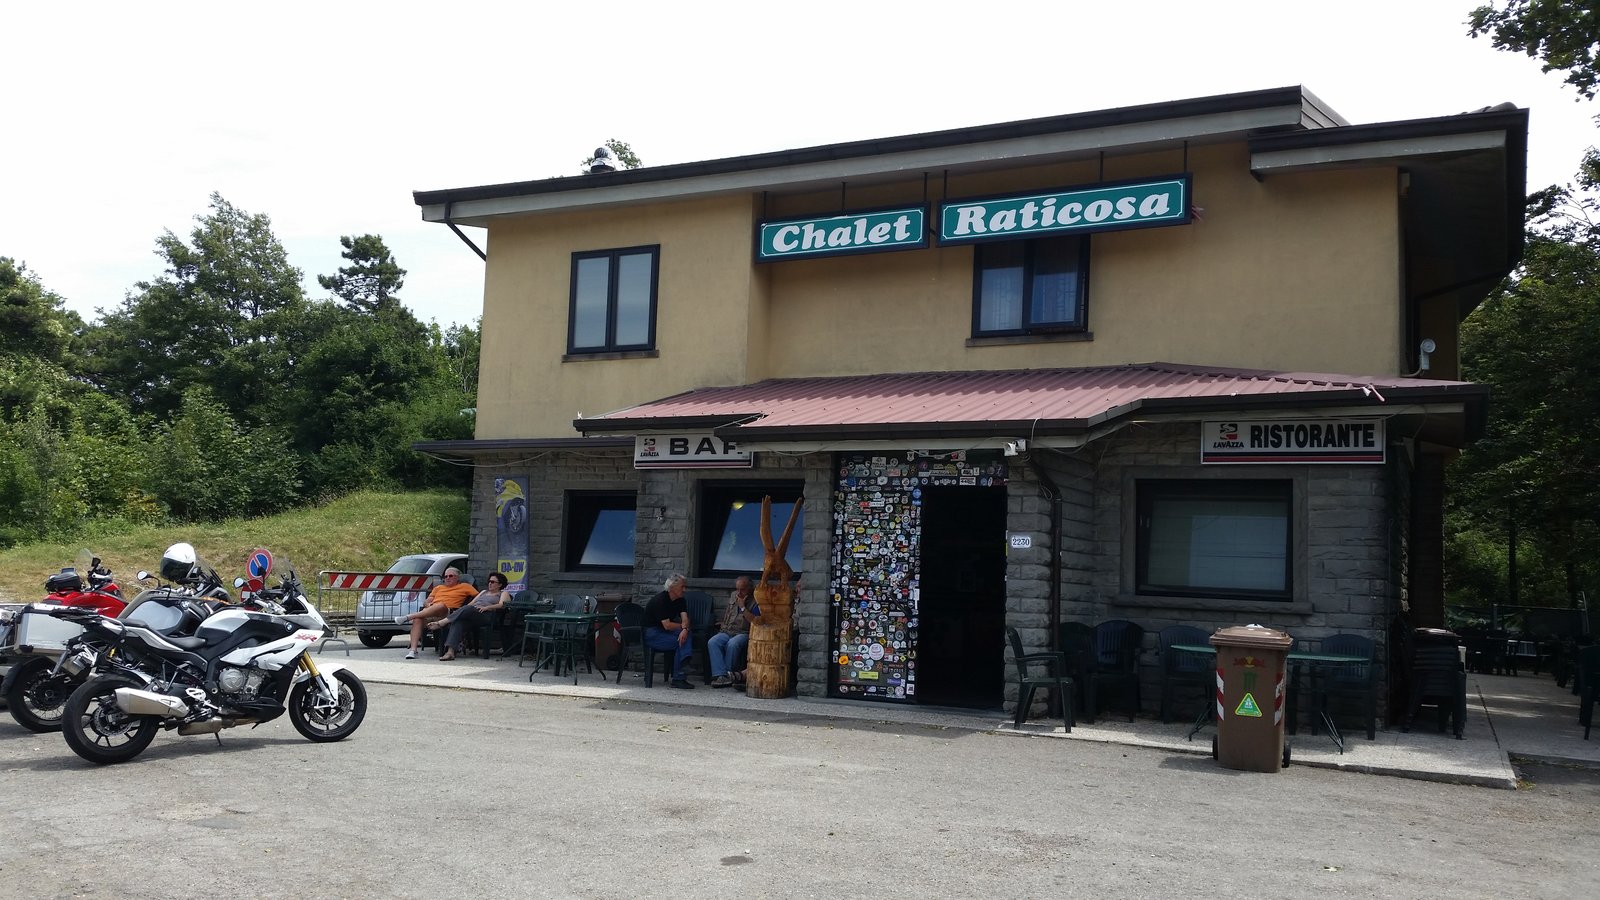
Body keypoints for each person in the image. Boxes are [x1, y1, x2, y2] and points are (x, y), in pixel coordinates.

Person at [394, 567, 477, 659]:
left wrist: (469, 606)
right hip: (432, 611)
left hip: (448, 613)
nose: (447, 578)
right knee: (418, 619)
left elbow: (479, 596)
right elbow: (426, 602)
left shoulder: (465, 586)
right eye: (445, 576)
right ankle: (413, 650)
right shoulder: (438, 588)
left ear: (457, 578)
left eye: (450, 576)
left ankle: (408, 617)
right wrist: (430, 606)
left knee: (440, 605)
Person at [430, 571, 510, 660]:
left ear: (500, 584)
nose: (490, 584)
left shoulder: (503, 593)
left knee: (468, 608)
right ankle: (450, 652)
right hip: (473, 614)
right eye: (489, 581)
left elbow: (502, 605)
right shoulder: (483, 592)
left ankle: (442, 622)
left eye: (493, 582)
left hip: (487, 615)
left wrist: (488, 607)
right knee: (458, 622)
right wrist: (462, 612)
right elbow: (471, 603)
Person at [642, 573, 695, 689]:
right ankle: (679, 675)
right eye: (682, 587)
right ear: (672, 587)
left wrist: (685, 629)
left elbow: (685, 618)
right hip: (651, 633)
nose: (684, 590)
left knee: (686, 634)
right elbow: (667, 626)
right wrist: (683, 628)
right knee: (680, 641)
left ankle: (684, 664)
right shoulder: (660, 601)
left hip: (664, 631)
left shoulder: (681, 600)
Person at [708, 576, 759, 687]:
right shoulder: (733, 595)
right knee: (713, 642)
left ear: (750, 588)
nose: (739, 593)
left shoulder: (756, 600)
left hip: (744, 632)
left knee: (732, 644)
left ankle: (728, 675)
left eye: (742, 589)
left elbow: (754, 621)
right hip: (728, 630)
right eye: (737, 589)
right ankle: (720, 675)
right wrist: (723, 623)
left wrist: (742, 607)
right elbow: (728, 611)